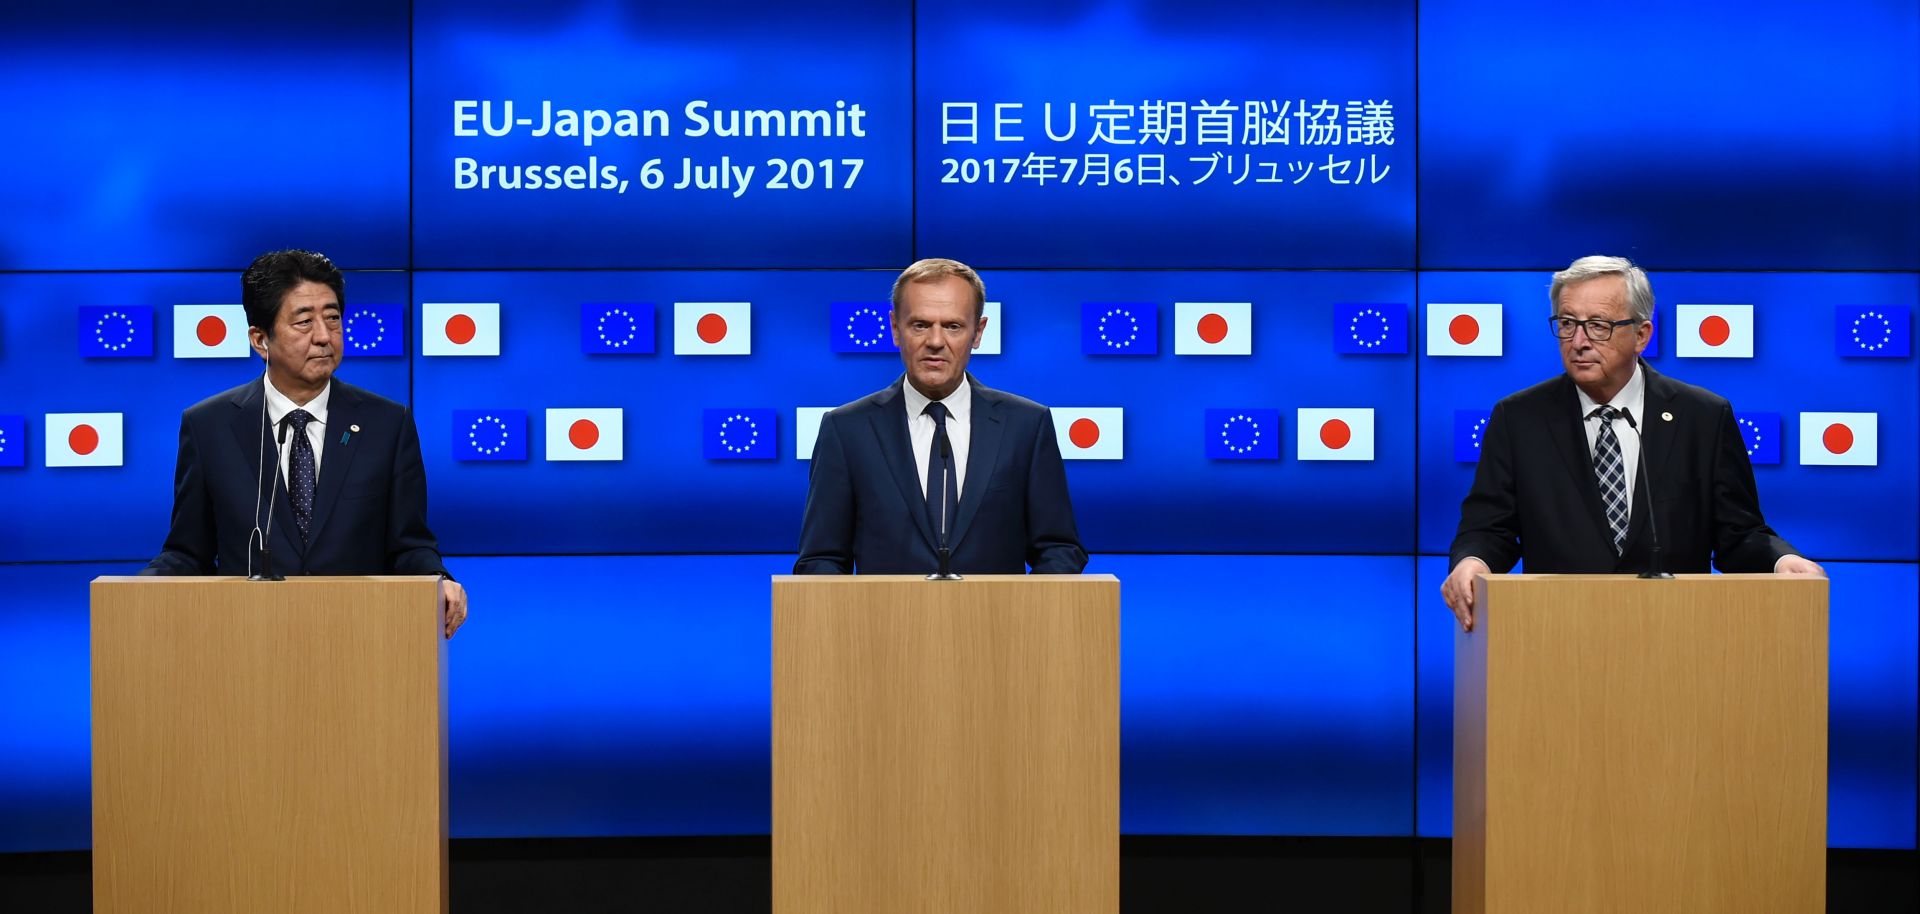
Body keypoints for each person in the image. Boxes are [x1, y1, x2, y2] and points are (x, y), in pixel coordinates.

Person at [1442, 255, 1821, 631]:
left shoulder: (1702, 417)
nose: (1578, 342)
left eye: (1598, 326)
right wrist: (1473, 561)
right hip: (1558, 635)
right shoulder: (1519, 419)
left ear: (1641, 335)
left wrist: (1779, 561)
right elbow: (1490, 528)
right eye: (1568, 323)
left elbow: (1737, 535)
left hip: (1676, 637)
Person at [143, 250, 469, 638]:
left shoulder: (387, 423)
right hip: (247, 643)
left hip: (360, 640)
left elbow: (409, 545)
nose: (323, 336)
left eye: (332, 318)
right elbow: (188, 551)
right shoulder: (209, 426)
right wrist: (140, 593)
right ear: (260, 340)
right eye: (304, 322)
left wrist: (437, 580)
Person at [795, 258, 1087, 575]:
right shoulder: (847, 429)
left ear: (978, 332)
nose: (935, 342)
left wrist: (1024, 617)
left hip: (998, 623)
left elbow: (1058, 549)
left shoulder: (1027, 426)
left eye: (952, 326)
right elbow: (821, 559)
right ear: (895, 329)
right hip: (884, 623)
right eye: (920, 325)